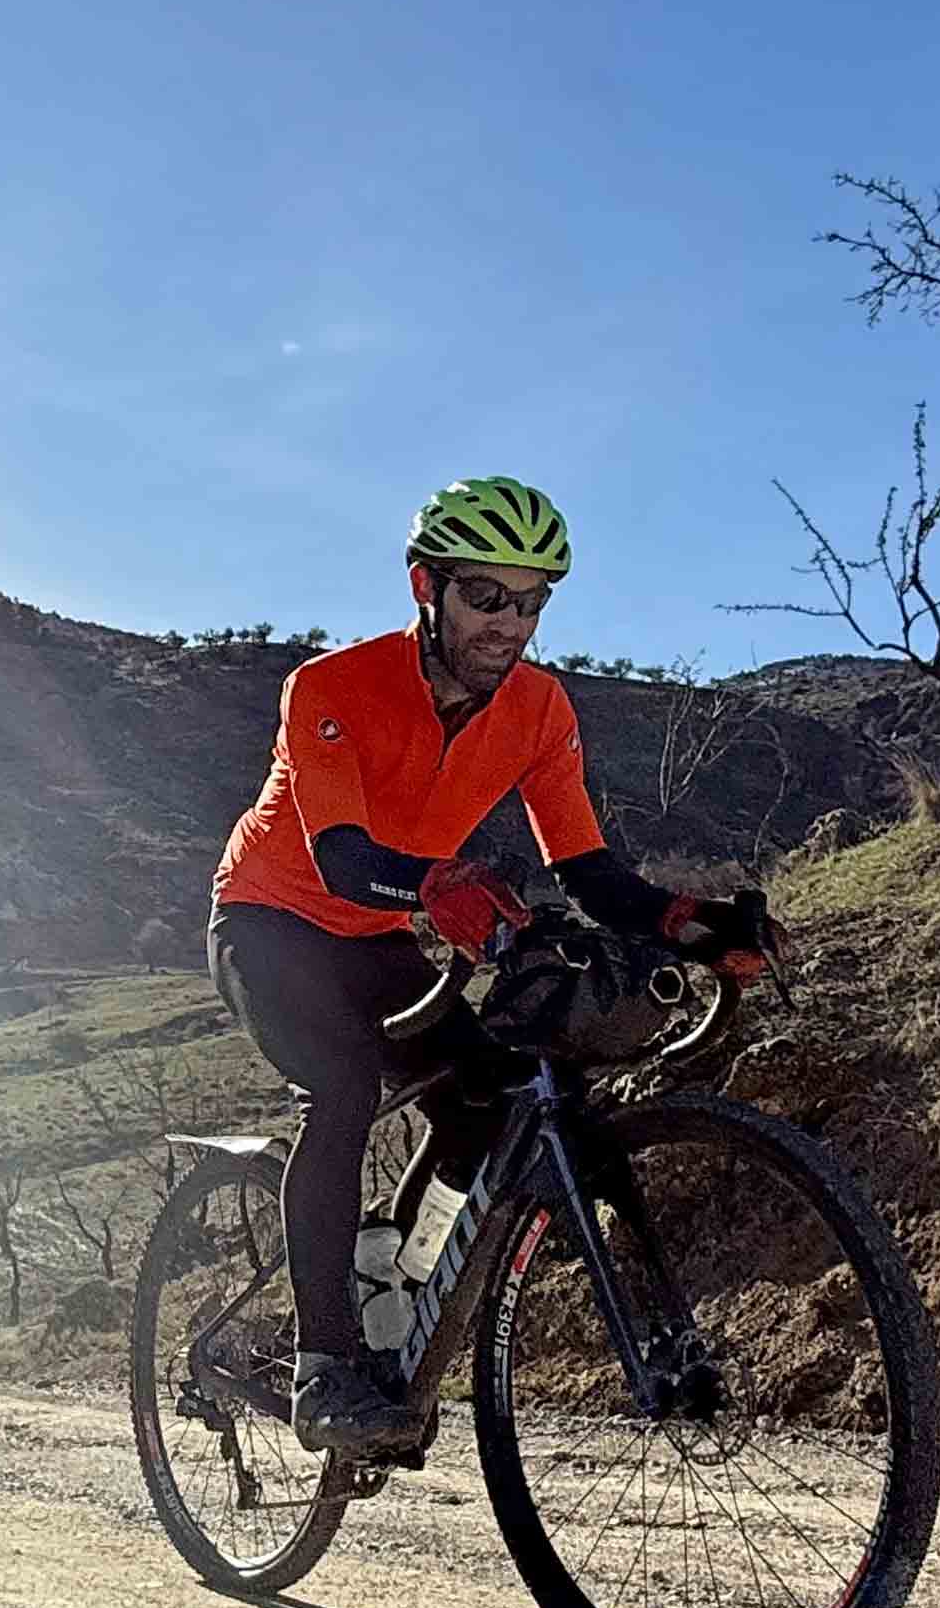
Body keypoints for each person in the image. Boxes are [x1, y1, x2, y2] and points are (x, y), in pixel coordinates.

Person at [204, 476, 785, 1461]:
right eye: (485, 596)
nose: (509, 624)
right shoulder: (331, 687)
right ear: (426, 587)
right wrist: (440, 886)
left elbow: (587, 869)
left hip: (378, 938)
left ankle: (390, 1275)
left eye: (532, 601)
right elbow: (343, 858)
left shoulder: (539, 709)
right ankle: (323, 1368)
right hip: (269, 920)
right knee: (341, 1088)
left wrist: (689, 920)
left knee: (486, 1098)